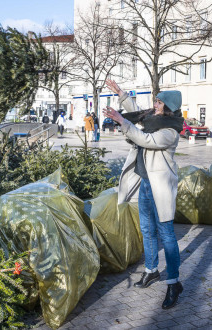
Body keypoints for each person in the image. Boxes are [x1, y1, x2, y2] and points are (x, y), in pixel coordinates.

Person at [104, 79, 184, 310]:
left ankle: (173, 283)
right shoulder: (152, 119)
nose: (155, 104)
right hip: (145, 185)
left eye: (159, 102)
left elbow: (145, 140)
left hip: (160, 188)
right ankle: (151, 271)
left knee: (166, 235)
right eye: (156, 100)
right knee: (147, 229)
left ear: (168, 107)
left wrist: (122, 122)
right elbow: (135, 112)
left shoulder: (170, 131)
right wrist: (120, 93)